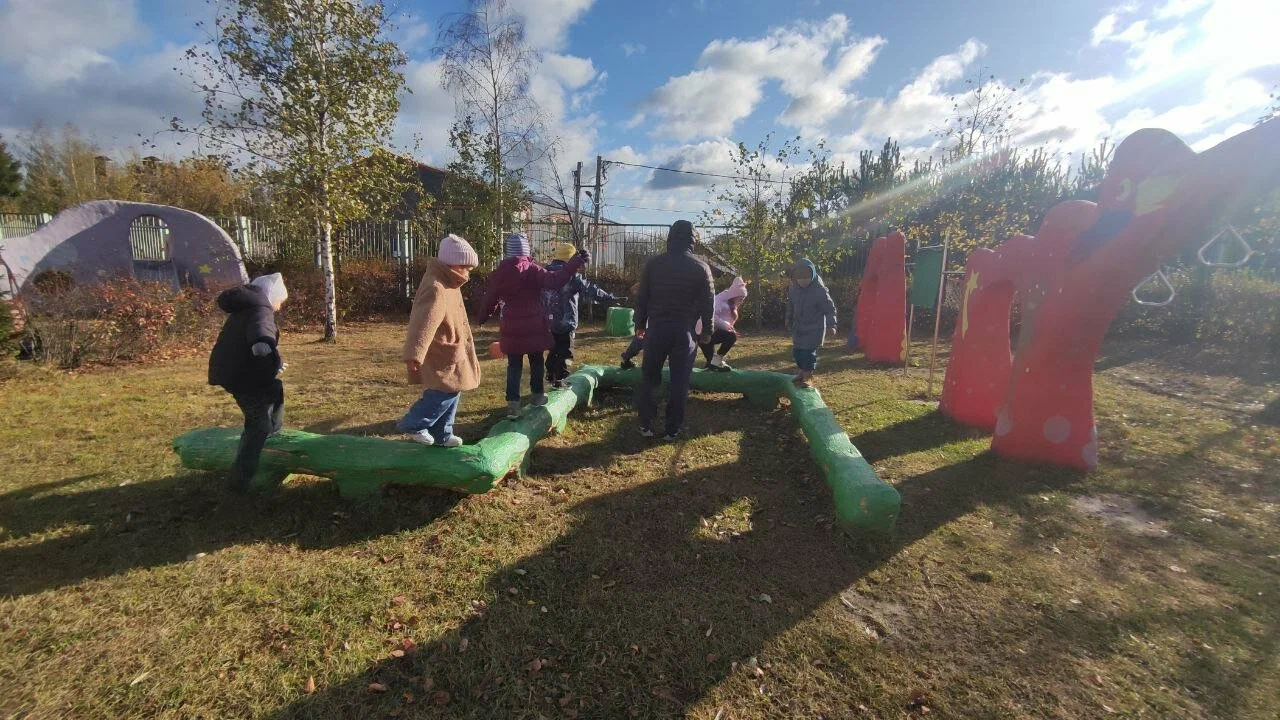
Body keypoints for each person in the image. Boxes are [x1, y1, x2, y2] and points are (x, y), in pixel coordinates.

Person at [477, 232, 588, 419]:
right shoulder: (533, 270)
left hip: (511, 325)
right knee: (536, 361)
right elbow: (555, 281)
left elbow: (491, 298)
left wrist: (483, 317)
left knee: (514, 365)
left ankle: (513, 405)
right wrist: (574, 263)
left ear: (508, 252)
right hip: (534, 324)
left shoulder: (500, 273)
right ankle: (537, 396)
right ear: (527, 251)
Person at [633, 220, 714, 440]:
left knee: (650, 378)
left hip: (656, 329)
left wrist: (639, 324)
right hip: (684, 332)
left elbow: (642, 298)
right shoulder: (701, 267)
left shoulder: (653, 264)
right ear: (692, 240)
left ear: (670, 238)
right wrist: (707, 330)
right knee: (679, 382)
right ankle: (672, 429)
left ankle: (646, 424)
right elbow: (708, 303)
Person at [397, 234, 482, 446]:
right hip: (441, 354)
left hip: (452, 351)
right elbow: (422, 323)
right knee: (442, 392)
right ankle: (415, 423)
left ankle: (442, 433)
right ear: (452, 263)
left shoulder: (450, 283)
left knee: (454, 389)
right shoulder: (437, 287)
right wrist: (414, 354)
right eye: (465, 266)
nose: (468, 271)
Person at [207, 272, 288, 491]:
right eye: (280, 302)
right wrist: (266, 349)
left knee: (275, 390)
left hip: (235, 372)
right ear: (272, 297)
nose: (279, 307)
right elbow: (261, 340)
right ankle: (241, 480)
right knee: (258, 425)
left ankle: (273, 439)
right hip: (242, 376)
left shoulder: (247, 308)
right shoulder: (261, 310)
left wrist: (275, 363)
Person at [542, 243, 619, 388]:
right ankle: (562, 378)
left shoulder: (545, 273)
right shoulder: (571, 276)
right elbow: (589, 288)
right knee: (566, 351)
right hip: (566, 322)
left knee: (553, 349)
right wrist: (608, 298)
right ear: (571, 259)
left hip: (549, 321)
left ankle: (550, 374)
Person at [784, 257, 838, 388]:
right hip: (798, 327)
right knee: (797, 352)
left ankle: (808, 377)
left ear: (812, 275)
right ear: (795, 277)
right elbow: (790, 306)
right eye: (800, 277)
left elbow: (829, 308)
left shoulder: (819, 290)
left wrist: (832, 324)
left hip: (815, 328)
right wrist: (788, 319)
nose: (803, 280)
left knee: (808, 353)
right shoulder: (793, 290)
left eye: (806, 277)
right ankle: (801, 372)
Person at [699, 276, 747, 371]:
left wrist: (728, 327)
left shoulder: (731, 304)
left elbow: (726, 321)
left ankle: (714, 363)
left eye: (743, 298)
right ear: (735, 296)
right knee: (731, 337)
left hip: (710, 333)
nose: (742, 301)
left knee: (712, 363)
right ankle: (716, 361)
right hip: (703, 334)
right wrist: (725, 326)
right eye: (741, 298)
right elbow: (711, 315)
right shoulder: (720, 300)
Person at [619, 282, 644, 369]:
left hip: (644, 317)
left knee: (641, 340)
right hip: (643, 318)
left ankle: (626, 358)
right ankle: (626, 358)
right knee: (641, 339)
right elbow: (633, 289)